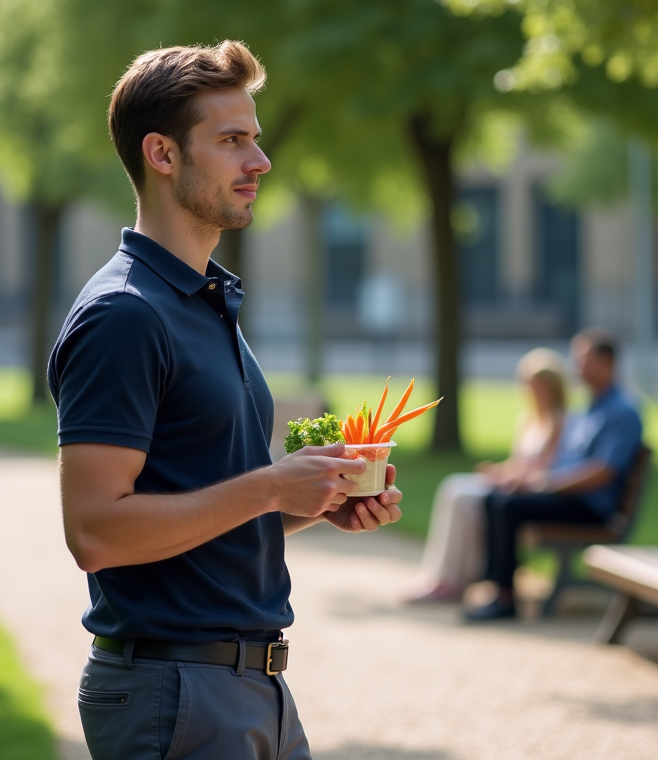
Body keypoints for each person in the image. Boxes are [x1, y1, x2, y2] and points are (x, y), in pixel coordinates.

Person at [49, 42, 404, 760]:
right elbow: (95, 532)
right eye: (233, 140)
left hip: (252, 687)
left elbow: (203, 505)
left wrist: (308, 501)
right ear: (163, 153)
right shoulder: (125, 315)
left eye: (255, 139)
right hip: (177, 692)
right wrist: (271, 486)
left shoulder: (201, 300)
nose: (260, 161)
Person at [465, 327, 643, 621]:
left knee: (508, 505)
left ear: (606, 363)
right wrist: (531, 480)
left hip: (591, 507)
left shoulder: (622, 411)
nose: (577, 367)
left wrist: (548, 483)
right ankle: (498, 588)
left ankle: (504, 598)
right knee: (495, 498)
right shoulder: (592, 408)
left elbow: (605, 471)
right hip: (570, 496)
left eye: (584, 360)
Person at [405, 348, 568, 603]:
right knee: (453, 486)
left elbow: (546, 469)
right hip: (513, 482)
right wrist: (499, 471)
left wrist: (511, 477)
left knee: (464, 499)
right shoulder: (528, 419)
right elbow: (519, 463)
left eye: (536, 384)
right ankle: (443, 575)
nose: (530, 390)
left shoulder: (559, 422)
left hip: (528, 489)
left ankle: (456, 578)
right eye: (527, 383)